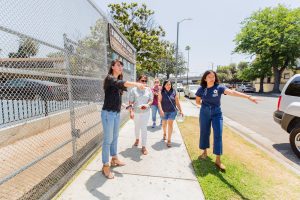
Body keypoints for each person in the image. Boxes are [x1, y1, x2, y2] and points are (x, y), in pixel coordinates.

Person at [195, 70, 258, 171]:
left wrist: (248, 96)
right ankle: (204, 152)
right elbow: (197, 101)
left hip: (216, 113)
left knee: (218, 134)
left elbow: (232, 92)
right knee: (204, 132)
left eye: (213, 76)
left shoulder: (219, 87)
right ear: (205, 78)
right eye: (209, 76)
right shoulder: (201, 89)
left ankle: (218, 160)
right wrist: (205, 105)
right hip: (204, 112)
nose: (212, 78)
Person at [101, 59, 145, 179]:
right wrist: (136, 84)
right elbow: (123, 84)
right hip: (108, 114)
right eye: (119, 65)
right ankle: (105, 165)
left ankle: (114, 159)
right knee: (108, 140)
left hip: (115, 113)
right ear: (113, 67)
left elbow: (115, 97)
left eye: (122, 66)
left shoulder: (117, 82)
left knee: (114, 138)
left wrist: (125, 106)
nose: (121, 67)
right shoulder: (110, 78)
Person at [128, 75, 153, 155]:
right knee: (137, 127)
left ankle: (143, 146)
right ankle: (137, 139)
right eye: (142, 80)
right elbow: (131, 102)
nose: (144, 82)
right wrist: (131, 112)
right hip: (136, 112)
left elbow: (151, 100)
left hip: (146, 112)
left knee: (144, 128)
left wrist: (147, 105)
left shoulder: (148, 90)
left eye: (145, 81)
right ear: (138, 81)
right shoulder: (133, 90)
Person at [158, 80, 183, 147]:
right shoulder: (161, 92)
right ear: (164, 85)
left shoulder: (174, 92)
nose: (168, 86)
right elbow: (159, 101)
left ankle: (169, 140)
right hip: (164, 111)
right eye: (167, 84)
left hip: (172, 111)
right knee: (164, 124)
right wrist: (160, 110)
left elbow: (177, 102)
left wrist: (181, 110)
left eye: (169, 84)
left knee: (170, 124)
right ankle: (164, 133)